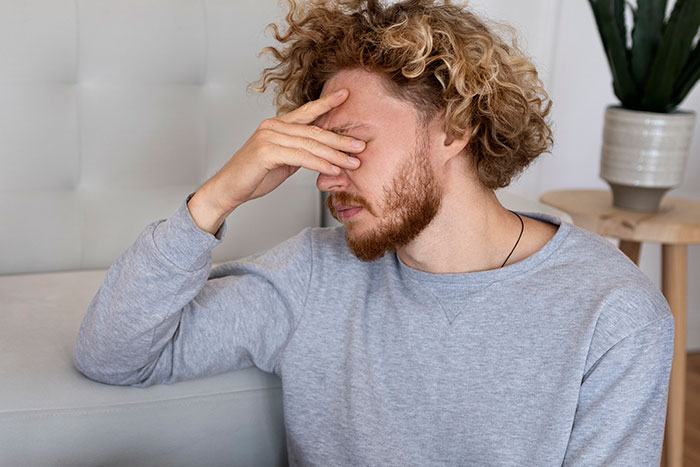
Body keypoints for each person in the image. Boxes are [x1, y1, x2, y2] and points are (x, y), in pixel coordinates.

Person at [73, 0, 675, 465]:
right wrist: (217, 198)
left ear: (455, 128)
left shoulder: (611, 310)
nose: (326, 179)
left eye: (352, 142)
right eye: (320, 151)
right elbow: (115, 357)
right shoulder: (312, 274)